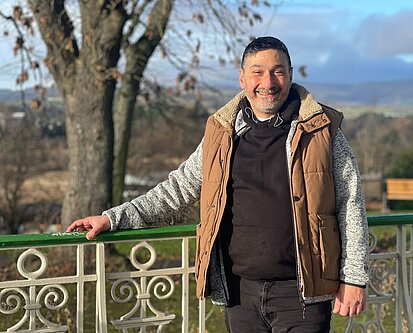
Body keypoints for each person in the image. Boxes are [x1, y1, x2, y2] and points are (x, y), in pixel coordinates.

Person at [67, 36, 369, 332]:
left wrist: (353, 278)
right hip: (240, 294)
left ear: (290, 76)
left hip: (302, 295)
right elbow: (178, 189)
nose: (268, 82)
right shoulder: (221, 132)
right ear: (242, 78)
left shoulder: (322, 130)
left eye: (278, 71)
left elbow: (350, 203)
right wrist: (112, 218)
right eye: (257, 72)